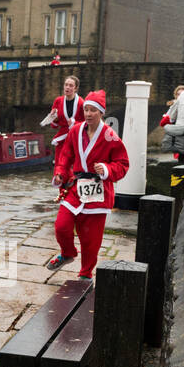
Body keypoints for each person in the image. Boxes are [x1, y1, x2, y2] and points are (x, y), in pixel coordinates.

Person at [46, 90, 129, 278]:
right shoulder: (75, 130)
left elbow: (123, 164)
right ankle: (67, 253)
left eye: (93, 110)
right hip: (76, 187)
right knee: (61, 225)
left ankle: (85, 273)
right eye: (86, 110)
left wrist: (107, 169)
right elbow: (66, 155)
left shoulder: (109, 136)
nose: (89, 114)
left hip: (99, 192)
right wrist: (60, 173)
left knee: (90, 239)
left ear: (101, 113)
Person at [43, 75, 84, 163]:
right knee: (60, 163)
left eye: (71, 85)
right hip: (62, 138)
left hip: (76, 138)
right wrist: (54, 118)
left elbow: (86, 124)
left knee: (74, 164)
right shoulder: (58, 101)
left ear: (76, 88)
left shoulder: (81, 103)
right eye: (66, 85)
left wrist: (74, 123)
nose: (67, 87)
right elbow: (54, 126)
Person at [159, 79, 184, 162]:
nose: (179, 95)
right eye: (177, 94)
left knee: (182, 155)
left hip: (182, 131)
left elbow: (170, 117)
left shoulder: (181, 99)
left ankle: (181, 171)